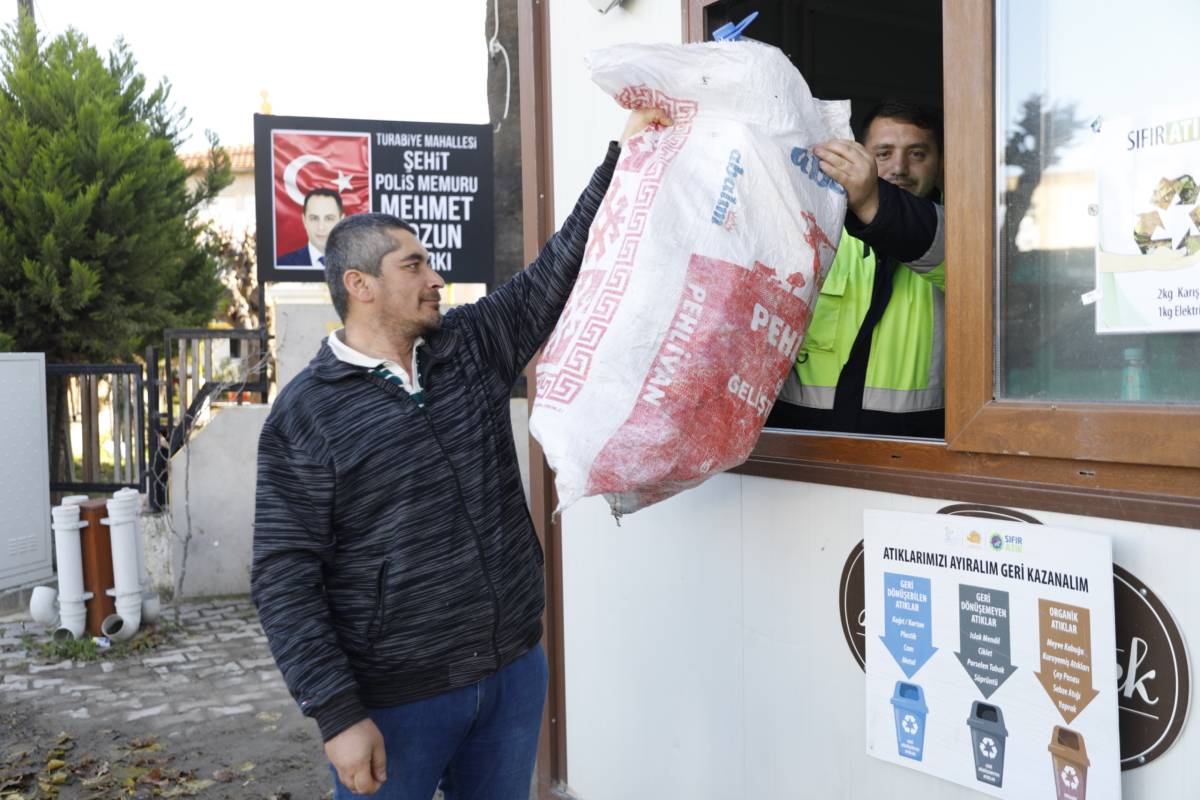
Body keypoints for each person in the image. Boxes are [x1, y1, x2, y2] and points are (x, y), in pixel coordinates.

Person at [251, 107, 672, 799]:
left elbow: (555, 270)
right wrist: (338, 714)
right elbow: (283, 577)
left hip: (511, 675)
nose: (435, 277)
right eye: (412, 265)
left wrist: (618, 159)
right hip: (397, 704)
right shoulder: (308, 412)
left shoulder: (467, 346)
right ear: (360, 286)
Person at [769, 100, 947, 438]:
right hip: (797, 446)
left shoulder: (961, 239)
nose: (899, 167)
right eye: (883, 153)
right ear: (862, 158)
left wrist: (870, 201)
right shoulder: (820, 236)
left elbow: (929, 240)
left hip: (918, 450)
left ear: (940, 163)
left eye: (917, 154)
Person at [278, 187, 345, 266]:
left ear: (341, 221)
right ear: (304, 220)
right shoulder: (282, 264)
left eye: (329, 218)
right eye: (314, 218)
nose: (321, 227)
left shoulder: (359, 264)